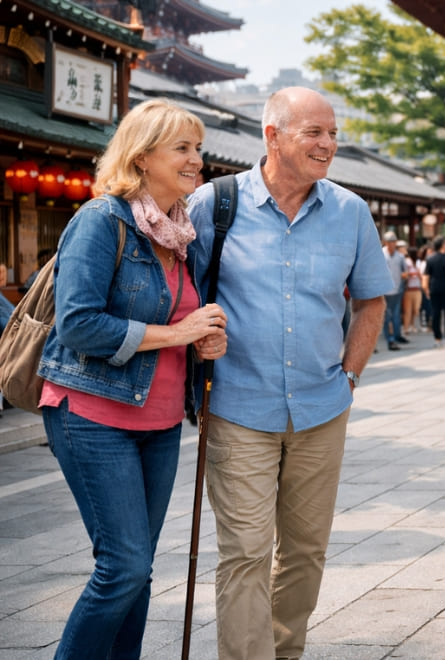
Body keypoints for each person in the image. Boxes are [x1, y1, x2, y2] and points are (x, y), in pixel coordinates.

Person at [186, 86, 392, 660]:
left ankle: (284, 651)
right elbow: (181, 293)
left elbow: (372, 300)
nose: (328, 144)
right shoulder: (212, 205)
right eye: (314, 133)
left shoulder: (350, 210)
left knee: (305, 549)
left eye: (332, 134)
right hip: (236, 405)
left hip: (322, 406)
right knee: (246, 550)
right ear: (272, 136)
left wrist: (349, 377)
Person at [38, 99, 227, 659]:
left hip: (162, 420)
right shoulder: (102, 220)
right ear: (142, 158)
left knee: (138, 570)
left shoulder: (181, 234)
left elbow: (179, 322)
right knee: (122, 567)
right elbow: (77, 324)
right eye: (183, 149)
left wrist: (203, 342)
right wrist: (178, 333)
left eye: (198, 148)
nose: (197, 160)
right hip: (92, 414)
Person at [422, 236, 445, 347]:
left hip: (434, 287)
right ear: (442, 245)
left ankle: (437, 338)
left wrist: (426, 288)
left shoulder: (430, 258)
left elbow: (426, 275)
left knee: (436, 313)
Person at [381, 231, 407, 350]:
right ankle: (390, 339)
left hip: (397, 289)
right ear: (385, 242)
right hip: (384, 290)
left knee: (396, 314)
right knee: (387, 316)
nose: (392, 244)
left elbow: (405, 272)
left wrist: (404, 275)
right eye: (389, 241)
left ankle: (397, 335)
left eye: (393, 241)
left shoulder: (400, 256)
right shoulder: (380, 254)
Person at [400, 241, 422, 335]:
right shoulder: (406, 261)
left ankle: (412, 325)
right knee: (408, 310)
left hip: (417, 288)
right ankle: (406, 328)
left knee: (416, 309)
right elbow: (404, 274)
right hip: (408, 289)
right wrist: (411, 274)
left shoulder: (418, 262)